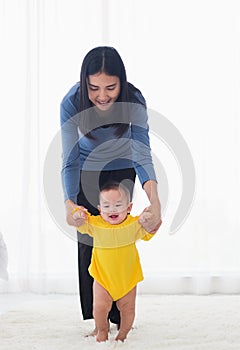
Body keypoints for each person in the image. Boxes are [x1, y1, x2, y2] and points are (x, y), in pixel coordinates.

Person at [60, 46, 162, 334]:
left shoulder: (134, 99)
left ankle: (122, 317)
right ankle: (98, 319)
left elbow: (142, 152)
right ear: (84, 84)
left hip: (121, 166)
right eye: (93, 88)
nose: (102, 95)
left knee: (119, 237)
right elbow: (69, 159)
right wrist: (69, 204)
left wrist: (155, 202)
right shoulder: (71, 102)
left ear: (122, 82)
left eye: (110, 87)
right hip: (85, 168)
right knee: (89, 242)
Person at [75, 181, 156, 342]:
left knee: (128, 310)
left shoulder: (133, 224)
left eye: (118, 205)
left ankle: (122, 334)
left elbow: (152, 228)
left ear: (129, 208)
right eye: (106, 206)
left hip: (127, 279)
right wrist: (77, 214)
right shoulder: (96, 224)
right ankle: (102, 331)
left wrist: (150, 218)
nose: (112, 209)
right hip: (103, 278)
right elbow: (80, 222)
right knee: (99, 307)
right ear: (100, 209)